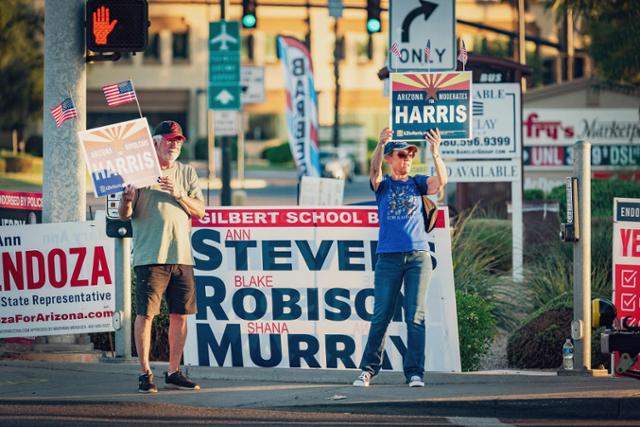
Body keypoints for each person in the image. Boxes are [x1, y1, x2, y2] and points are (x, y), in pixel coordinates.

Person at [353, 127, 447, 388]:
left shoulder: (418, 182)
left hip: (419, 257)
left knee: (415, 316)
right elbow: (373, 172)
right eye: (401, 155)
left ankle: (415, 373)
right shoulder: (383, 186)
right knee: (381, 315)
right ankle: (368, 370)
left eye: (409, 155)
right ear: (390, 159)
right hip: (388, 258)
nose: (406, 159)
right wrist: (380, 144)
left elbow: (441, 183)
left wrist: (436, 153)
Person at [119, 120, 206, 393]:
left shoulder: (187, 172)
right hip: (150, 255)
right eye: (169, 140)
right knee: (146, 315)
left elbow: (200, 211)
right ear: (155, 143)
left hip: (182, 256)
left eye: (178, 140)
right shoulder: (139, 173)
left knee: (180, 315)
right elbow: (124, 216)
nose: (174, 144)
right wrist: (128, 199)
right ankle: (145, 373)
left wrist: (179, 194)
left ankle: (173, 371)